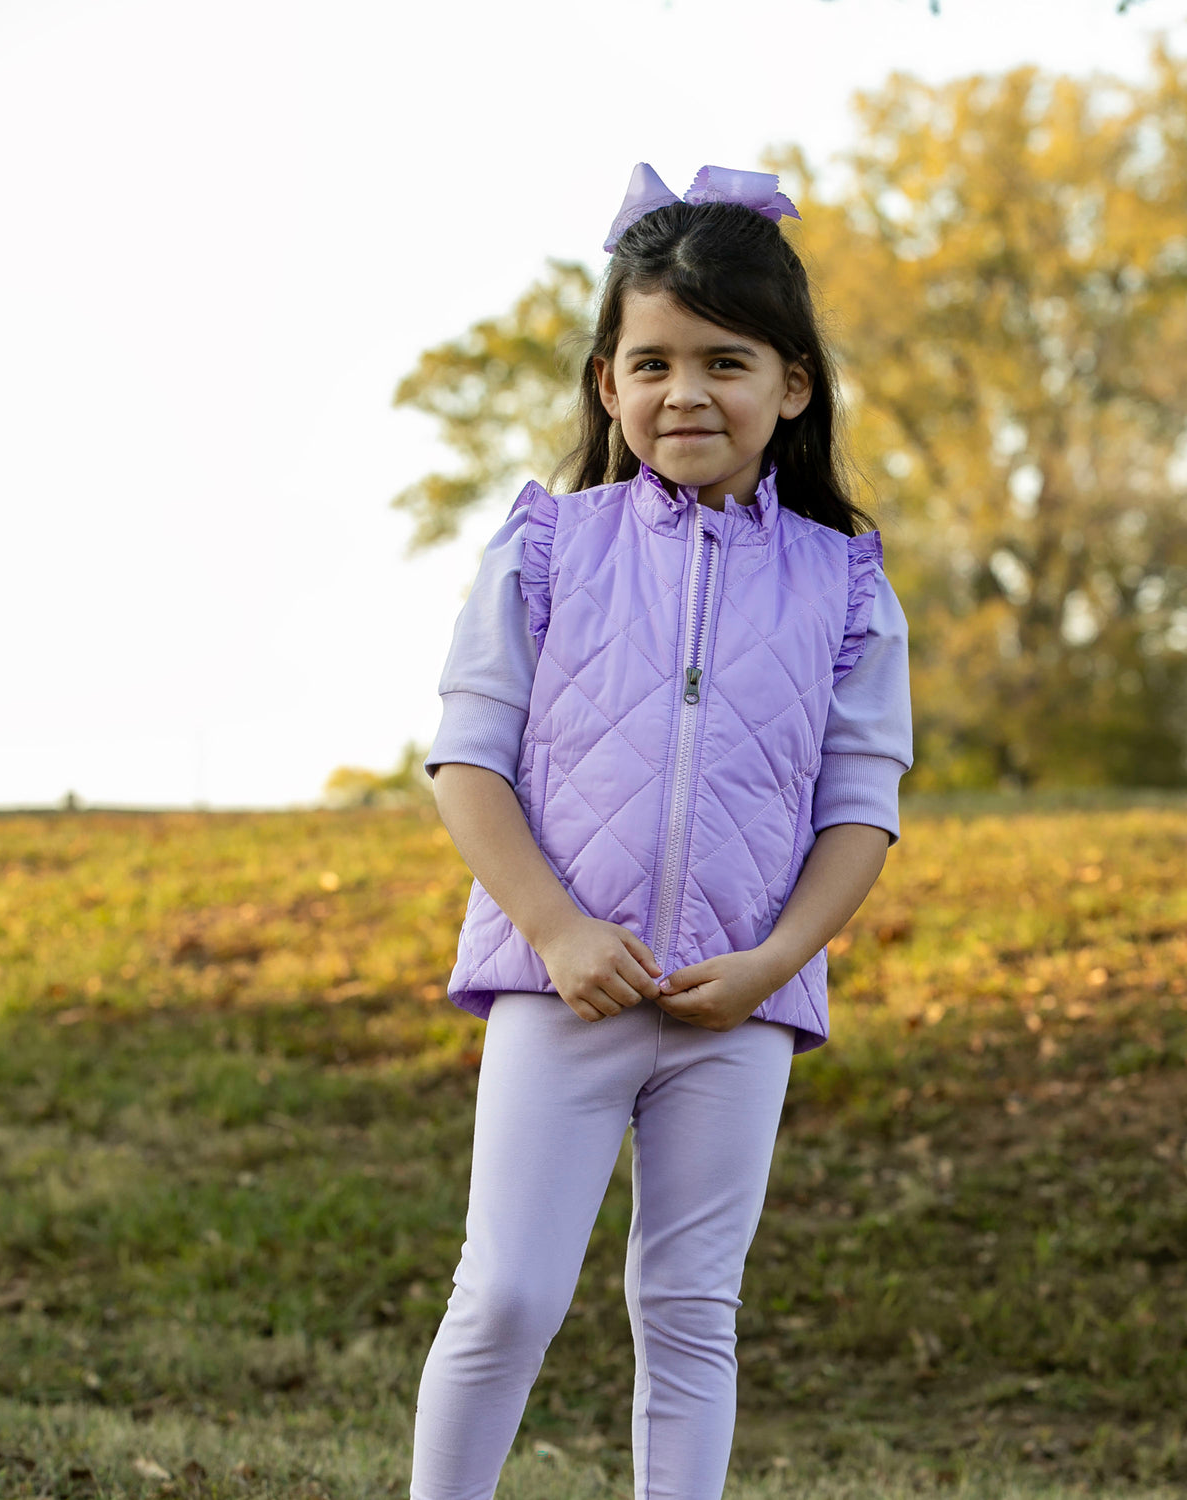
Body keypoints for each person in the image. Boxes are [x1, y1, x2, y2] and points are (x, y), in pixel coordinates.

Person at [410, 162, 913, 1500]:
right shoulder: (545, 550)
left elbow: (861, 813)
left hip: (737, 1007)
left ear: (791, 385)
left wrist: (773, 964)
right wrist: (559, 929)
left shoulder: (846, 584)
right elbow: (469, 760)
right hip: (560, 988)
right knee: (508, 1292)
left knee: (692, 1314)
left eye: (724, 360)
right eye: (651, 362)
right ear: (607, 385)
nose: (685, 390)